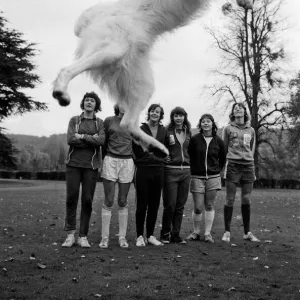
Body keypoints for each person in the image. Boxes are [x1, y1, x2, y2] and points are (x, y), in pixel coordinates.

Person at [62, 92, 105, 248]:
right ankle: (70, 235)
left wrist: (83, 137)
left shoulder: (100, 123)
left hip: (91, 166)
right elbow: (70, 139)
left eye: (92, 100)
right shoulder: (75, 120)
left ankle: (83, 236)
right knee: (71, 198)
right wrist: (89, 139)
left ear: (96, 105)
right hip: (73, 165)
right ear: (83, 103)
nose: (89, 102)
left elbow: (100, 141)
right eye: (86, 100)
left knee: (87, 200)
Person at [222, 103, 260, 243]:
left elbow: (252, 148)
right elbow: (224, 148)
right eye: (235, 108)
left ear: (245, 112)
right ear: (233, 113)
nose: (237, 109)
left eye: (240, 107)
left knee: (246, 199)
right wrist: (223, 166)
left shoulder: (251, 130)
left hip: (248, 167)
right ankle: (227, 232)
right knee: (230, 199)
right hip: (233, 165)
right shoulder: (228, 129)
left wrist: (250, 161)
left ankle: (247, 232)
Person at [99, 105, 134, 248]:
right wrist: (102, 161)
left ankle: (122, 238)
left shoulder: (134, 122)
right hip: (110, 160)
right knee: (108, 200)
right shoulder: (109, 121)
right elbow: (103, 143)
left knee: (122, 200)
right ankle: (104, 238)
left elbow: (137, 145)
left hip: (127, 162)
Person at [187, 114, 226, 243]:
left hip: (213, 177)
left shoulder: (219, 141)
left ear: (212, 124)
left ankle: (207, 233)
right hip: (197, 177)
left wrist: (216, 171)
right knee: (198, 207)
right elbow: (189, 155)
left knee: (209, 205)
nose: (206, 124)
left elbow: (223, 159)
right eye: (203, 122)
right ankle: (196, 232)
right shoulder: (194, 140)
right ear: (200, 125)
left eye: (208, 121)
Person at [132, 104, 167, 247]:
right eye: (152, 111)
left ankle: (150, 235)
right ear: (149, 113)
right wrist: (146, 158)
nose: (154, 113)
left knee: (154, 204)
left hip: (158, 171)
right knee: (142, 204)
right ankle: (139, 236)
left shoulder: (164, 131)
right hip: (143, 170)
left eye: (157, 112)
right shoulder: (141, 130)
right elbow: (136, 148)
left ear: (161, 115)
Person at [160, 107, 191, 244]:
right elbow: (159, 147)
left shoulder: (189, 133)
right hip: (170, 171)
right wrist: (163, 157)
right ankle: (165, 234)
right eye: (176, 116)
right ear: (172, 117)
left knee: (180, 205)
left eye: (181, 116)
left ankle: (176, 234)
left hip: (186, 171)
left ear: (185, 117)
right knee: (170, 204)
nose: (179, 118)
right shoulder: (167, 132)